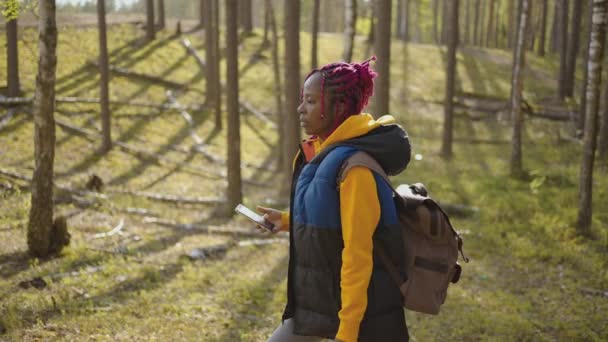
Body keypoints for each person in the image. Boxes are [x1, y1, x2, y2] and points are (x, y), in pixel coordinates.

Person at [257, 57, 411, 342]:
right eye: (303, 100)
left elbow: (358, 255)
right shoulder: (316, 152)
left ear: (337, 107)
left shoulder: (355, 169)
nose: (301, 108)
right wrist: (287, 220)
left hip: (362, 317)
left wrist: (347, 333)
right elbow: (331, 218)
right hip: (318, 307)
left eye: (311, 101)